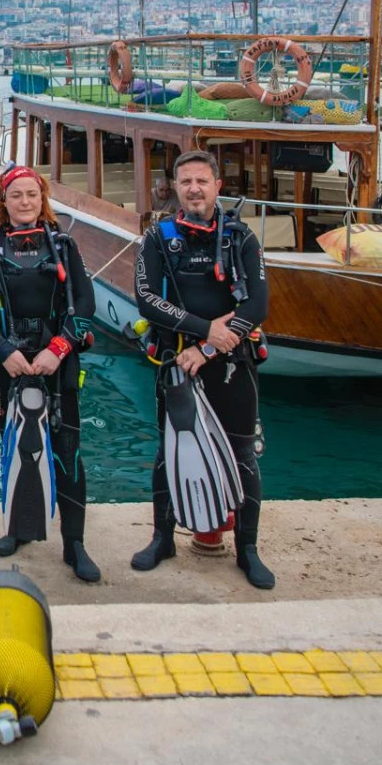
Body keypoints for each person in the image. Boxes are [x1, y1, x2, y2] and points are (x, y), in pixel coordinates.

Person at [131, 149, 273, 589]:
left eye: (202, 181)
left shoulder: (241, 238)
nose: (194, 188)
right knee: (167, 451)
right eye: (186, 181)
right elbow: (146, 299)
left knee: (244, 453)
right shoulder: (157, 238)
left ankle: (247, 550)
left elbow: (258, 304)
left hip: (231, 362)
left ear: (217, 187)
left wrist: (210, 348)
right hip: (176, 361)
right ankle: (163, 538)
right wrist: (201, 332)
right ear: (174, 188)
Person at [0, 165, 101, 582]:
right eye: (16, 195)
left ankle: (74, 543)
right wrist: (3, 351)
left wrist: (59, 349)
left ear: (42, 200)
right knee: (16, 444)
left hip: (56, 361)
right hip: (6, 363)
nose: (25, 202)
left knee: (67, 446)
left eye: (32, 195)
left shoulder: (62, 244)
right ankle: (18, 529)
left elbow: (85, 305)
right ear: (3, 200)